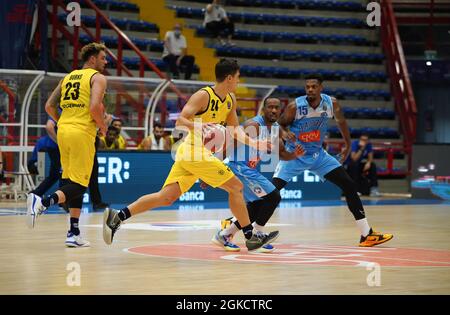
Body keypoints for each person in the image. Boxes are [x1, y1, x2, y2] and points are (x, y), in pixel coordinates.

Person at [103, 59, 278, 251]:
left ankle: (117, 216)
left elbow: (235, 129)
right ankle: (250, 236)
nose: (238, 82)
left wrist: (255, 143)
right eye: (237, 78)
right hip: (193, 151)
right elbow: (180, 121)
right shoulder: (203, 95)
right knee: (236, 186)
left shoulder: (230, 99)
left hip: (197, 155)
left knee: (166, 197)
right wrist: (198, 125)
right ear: (229, 78)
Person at [273, 74, 393, 247]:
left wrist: (348, 144)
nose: (310, 89)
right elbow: (279, 124)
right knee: (271, 192)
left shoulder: (332, 103)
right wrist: (285, 133)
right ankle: (235, 223)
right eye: (308, 87)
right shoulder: (295, 106)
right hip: (296, 155)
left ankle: (366, 234)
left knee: (349, 186)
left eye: (314, 86)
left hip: (318, 156)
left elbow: (341, 122)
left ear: (321, 87)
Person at [26, 42, 108, 248]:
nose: (105, 62)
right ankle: (42, 202)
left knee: (72, 182)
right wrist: (102, 127)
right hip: (82, 133)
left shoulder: (67, 77)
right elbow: (94, 107)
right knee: (80, 184)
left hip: (64, 131)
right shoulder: (97, 78)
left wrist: (63, 121)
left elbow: (49, 106)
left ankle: (73, 232)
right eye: (103, 58)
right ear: (92, 59)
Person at [212, 98, 305, 253]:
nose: (274, 110)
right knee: (273, 197)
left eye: (277, 107)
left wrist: (294, 155)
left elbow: (280, 154)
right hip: (239, 167)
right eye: (270, 107)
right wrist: (213, 168)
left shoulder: (275, 128)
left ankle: (225, 234)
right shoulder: (253, 125)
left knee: (257, 204)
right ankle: (257, 234)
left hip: (249, 169)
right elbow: (230, 145)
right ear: (264, 109)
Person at [27, 118, 61, 197]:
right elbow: (49, 126)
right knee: (58, 174)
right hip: (55, 147)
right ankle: (36, 194)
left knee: (56, 175)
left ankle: (36, 194)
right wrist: (59, 142)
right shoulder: (59, 112)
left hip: (53, 147)